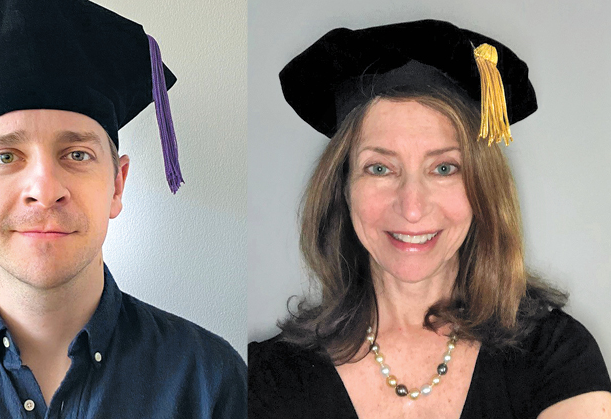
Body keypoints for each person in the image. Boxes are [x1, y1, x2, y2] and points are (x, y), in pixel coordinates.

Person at [0, 0, 246, 417]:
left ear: (117, 185)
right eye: (6, 156)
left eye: (76, 154)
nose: (45, 190)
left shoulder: (207, 383)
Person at [248, 19, 611, 418]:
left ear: (482, 189)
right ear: (342, 188)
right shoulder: (267, 379)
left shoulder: (555, 357)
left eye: (444, 169)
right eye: (380, 168)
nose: (413, 207)